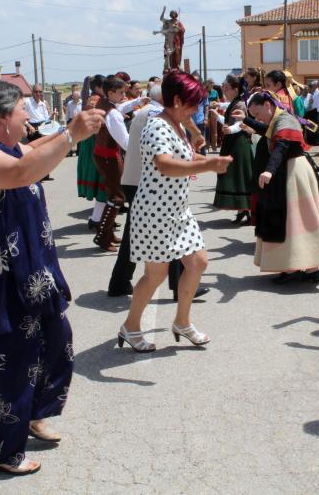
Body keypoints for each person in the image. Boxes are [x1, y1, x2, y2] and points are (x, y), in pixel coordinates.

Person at [0, 79, 104, 474]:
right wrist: (72, 133)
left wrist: (68, 132)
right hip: (5, 281)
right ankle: (1, 453)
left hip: (35, 272)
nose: (29, 116)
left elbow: (35, 151)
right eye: (22, 110)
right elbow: (25, 171)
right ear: (4, 118)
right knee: (14, 362)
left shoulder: (9, 146)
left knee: (57, 341)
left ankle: (33, 415)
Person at [119, 72, 232, 352]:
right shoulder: (158, 127)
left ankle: (182, 321)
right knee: (155, 275)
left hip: (177, 210)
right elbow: (165, 164)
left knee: (198, 263)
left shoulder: (177, 124)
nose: (197, 110)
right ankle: (131, 326)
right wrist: (209, 166)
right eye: (194, 104)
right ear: (178, 100)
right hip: (155, 212)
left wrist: (215, 161)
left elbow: (188, 157)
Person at [234, 91, 319, 283]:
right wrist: (247, 120)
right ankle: (309, 269)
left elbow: (281, 146)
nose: (258, 118)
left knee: (295, 222)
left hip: (293, 174)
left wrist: (269, 171)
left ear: (267, 105)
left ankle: (295, 269)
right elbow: (268, 131)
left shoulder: (285, 120)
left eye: (257, 113)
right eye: (254, 116)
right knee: (303, 222)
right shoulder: (280, 118)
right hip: (293, 173)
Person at [108, 83, 164, 297]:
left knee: (135, 232)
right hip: (144, 180)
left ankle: (119, 282)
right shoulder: (156, 114)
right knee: (171, 228)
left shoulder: (146, 111)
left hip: (136, 178)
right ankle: (180, 284)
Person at [93, 77, 131, 252]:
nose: (124, 95)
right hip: (108, 157)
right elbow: (125, 142)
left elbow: (120, 108)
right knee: (117, 197)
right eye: (121, 92)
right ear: (111, 93)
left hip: (103, 154)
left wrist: (139, 102)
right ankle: (102, 236)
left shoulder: (104, 103)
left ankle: (106, 233)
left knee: (115, 195)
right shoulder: (113, 114)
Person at [214, 74, 253, 223]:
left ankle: (246, 210)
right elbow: (228, 122)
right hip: (232, 143)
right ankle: (243, 211)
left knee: (240, 177)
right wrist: (217, 115)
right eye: (223, 87)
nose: (224, 90)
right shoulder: (234, 103)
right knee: (235, 177)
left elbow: (239, 124)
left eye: (226, 88)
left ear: (236, 89)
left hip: (239, 144)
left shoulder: (240, 104)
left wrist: (230, 130)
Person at [76, 75, 109, 231]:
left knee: (106, 181)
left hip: (94, 141)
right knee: (103, 179)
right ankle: (98, 219)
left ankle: (102, 217)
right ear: (98, 87)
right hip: (94, 142)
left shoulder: (96, 99)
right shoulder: (95, 100)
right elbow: (96, 122)